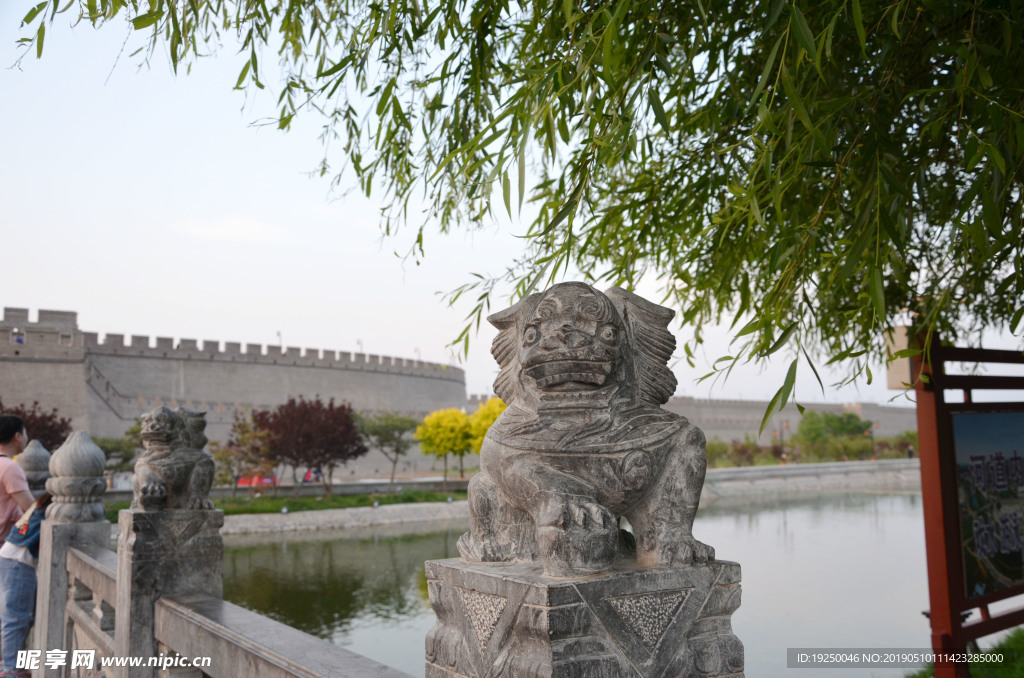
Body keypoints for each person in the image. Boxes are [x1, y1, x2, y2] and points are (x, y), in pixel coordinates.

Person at [0, 492, 52, 678]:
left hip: (10, 558)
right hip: (17, 562)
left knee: (18, 617)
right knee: (16, 618)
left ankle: (11, 663)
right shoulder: (52, 508)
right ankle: (11, 669)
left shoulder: (39, 504)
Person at [0, 416, 34, 545]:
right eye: (25, 433)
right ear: (17, 437)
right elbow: (31, 507)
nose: (27, 438)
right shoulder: (10, 467)